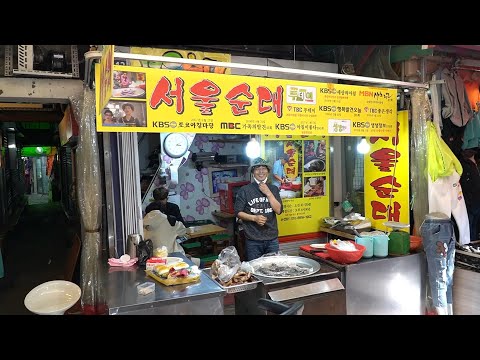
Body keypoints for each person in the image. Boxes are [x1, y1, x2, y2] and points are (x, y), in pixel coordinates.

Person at [234, 157, 283, 261]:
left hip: (272, 239)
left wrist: (268, 193)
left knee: (274, 268)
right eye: (257, 169)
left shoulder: (273, 189)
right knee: (254, 270)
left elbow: (278, 210)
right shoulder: (245, 190)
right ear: (253, 172)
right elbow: (238, 212)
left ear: (268, 171)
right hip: (253, 239)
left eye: (263, 168)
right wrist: (254, 218)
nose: (261, 171)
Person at [459, 148, 480, 240]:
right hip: (473, 199)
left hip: (471, 200)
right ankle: (471, 241)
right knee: (472, 223)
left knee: (470, 223)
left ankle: (470, 241)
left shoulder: (471, 166)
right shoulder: (471, 166)